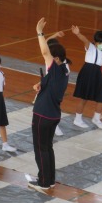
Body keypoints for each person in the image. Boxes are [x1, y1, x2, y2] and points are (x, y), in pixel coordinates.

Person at [28, 18, 69, 191]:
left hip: (42, 114)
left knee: (40, 149)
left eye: (51, 57)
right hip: (53, 115)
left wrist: (39, 31)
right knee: (48, 147)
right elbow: (49, 80)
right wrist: (41, 84)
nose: (47, 58)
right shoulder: (64, 69)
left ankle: (43, 182)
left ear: (56, 58)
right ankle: (50, 179)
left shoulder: (56, 68)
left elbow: (45, 52)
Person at [72, 26, 102, 130]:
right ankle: (77, 119)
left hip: (97, 73)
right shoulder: (90, 47)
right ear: (95, 42)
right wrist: (78, 34)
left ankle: (96, 118)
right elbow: (84, 40)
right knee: (84, 98)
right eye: (100, 43)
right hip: (88, 72)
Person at [46, 31, 72, 137]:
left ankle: (54, 125)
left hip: (56, 86)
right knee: (45, 106)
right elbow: (45, 42)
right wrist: (54, 35)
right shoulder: (52, 57)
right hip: (48, 83)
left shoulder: (62, 64)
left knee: (53, 106)